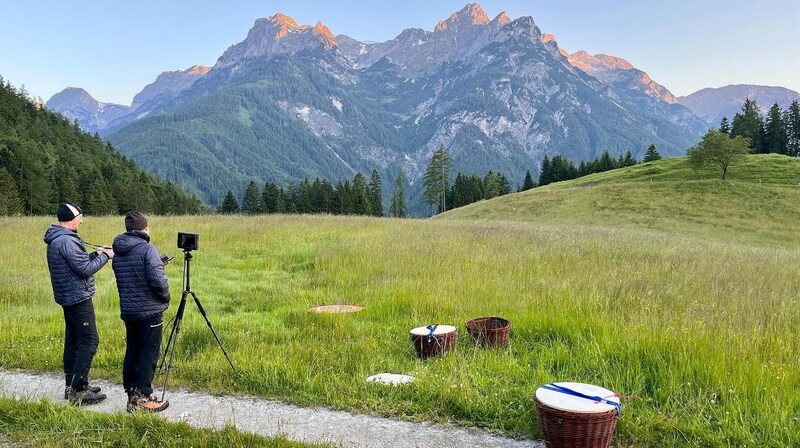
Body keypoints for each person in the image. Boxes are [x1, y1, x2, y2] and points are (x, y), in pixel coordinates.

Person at [43, 202, 113, 405]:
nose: (82, 221)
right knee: (90, 340)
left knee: (73, 341)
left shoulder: (59, 238)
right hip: (77, 297)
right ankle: (78, 390)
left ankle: (71, 385)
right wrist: (106, 256)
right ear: (72, 219)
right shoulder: (66, 241)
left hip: (68, 296)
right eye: (80, 217)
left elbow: (78, 263)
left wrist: (97, 254)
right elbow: (84, 270)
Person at [111, 211, 170, 413]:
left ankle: (132, 396)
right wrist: (165, 298)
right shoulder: (148, 250)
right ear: (144, 228)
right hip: (150, 310)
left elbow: (133, 276)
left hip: (129, 310)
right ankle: (144, 397)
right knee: (148, 353)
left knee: (133, 352)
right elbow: (158, 281)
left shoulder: (119, 251)